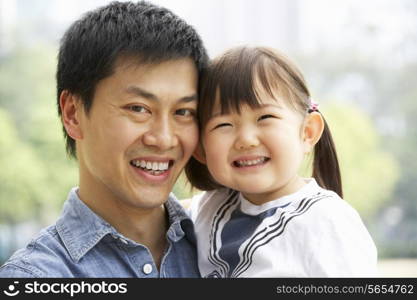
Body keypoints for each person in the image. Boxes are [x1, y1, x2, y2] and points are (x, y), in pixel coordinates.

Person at [0, 1, 208, 277]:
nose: (164, 139)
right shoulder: (37, 277)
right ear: (73, 114)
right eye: (138, 109)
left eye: (183, 112)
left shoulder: (227, 243)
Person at [185, 46, 377, 277]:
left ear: (307, 132)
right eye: (223, 125)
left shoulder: (327, 221)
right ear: (200, 149)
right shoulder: (209, 209)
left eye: (265, 117)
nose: (246, 139)